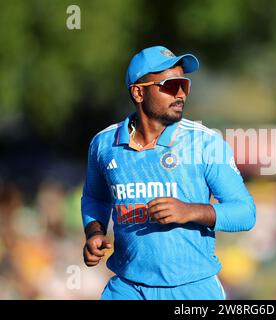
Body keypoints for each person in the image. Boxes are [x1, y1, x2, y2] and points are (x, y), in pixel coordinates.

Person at [81, 45, 256, 300]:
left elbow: (245, 212)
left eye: (184, 85)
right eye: (171, 86)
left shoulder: (206, 143)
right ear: (139, 92)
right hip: (127, 287)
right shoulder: (104, 144)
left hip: (192, 289)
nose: (181, 94)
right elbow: (95, 198)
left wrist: (190, 211)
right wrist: (94, 232)